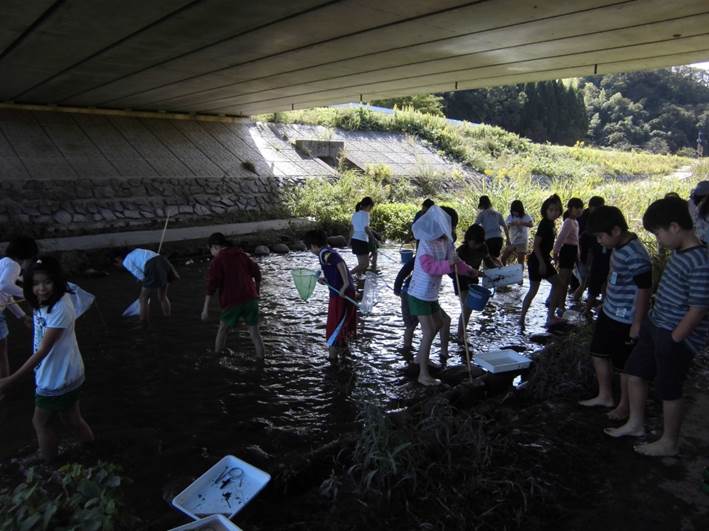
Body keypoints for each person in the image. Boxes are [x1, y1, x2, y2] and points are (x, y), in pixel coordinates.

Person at [606, 197, 709, 457]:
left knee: (669, 389)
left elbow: (699, 308)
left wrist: (675, 338)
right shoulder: (680, 251)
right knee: (634, 373)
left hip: (674, 335)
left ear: (674, 227)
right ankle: (636, 423)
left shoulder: (700, 262)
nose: (658, 239)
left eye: (658, 233)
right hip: (656, 323)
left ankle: (669, 442)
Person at [0, 257, 94, 462]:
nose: (41, 288)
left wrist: (11, 380)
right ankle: (91, 452)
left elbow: (43, 350)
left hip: (57, 377)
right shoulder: (44, 301)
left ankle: (50, 465)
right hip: (66, 370)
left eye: (47, 282)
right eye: (35, 283)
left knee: (40, 422)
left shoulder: (60, 308)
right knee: (71, 419)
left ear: (57, 281)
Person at [578, 206, 652, 420]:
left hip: (626, 318)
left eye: (601, 236)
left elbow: (645, 290)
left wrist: (637, 323)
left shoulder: (636, 254)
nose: (599, 241)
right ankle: (605, 395)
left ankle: (623, 407)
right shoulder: (617, 245)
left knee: (624, 366)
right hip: (610, 311)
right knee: (598, 353)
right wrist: (605, 302)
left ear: (616, 230)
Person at [407, 206, 477, 386]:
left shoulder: (446, 242)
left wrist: (470, 271)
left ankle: (420, 358)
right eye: (449, 226)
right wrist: (449, 263)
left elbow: (456, 263)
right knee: (429, 330)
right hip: (419, 293)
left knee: (439, 323)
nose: (450, 230)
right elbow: (429, 267)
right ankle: (423, 374)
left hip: (431, 293)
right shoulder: (426, 243)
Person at [201, 233, 264, 358]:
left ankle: (217, 358)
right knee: (255, 334)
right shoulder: (241, 254)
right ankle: (261, 361)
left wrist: (205, 309)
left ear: (215, 247)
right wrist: (257, 291)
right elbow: (257, 273)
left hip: (232, 301)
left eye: (211, 250)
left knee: (223, 330)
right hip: (251, 299)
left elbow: (211, 286)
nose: (212, 253)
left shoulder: (218, 260)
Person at [304, 230, 356, 362]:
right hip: (342, 292)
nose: (311, 251)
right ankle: (344, 354)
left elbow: (340, 263)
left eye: (309, 248)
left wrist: (344, 284)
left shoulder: (324, 254)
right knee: (341, 324)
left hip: (341, 294)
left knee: (334, 327)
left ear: (314, 245)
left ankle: (333, 360)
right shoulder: (327, 250)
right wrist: (326, 280)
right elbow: (335, 269)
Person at [519, 194, 563, 328]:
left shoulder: (550, 224)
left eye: (556, 210)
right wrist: (542, 263)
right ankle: (526, 318)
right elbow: (536, 245)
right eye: (551, 210)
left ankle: (548, 316)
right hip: (537, 261)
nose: (554, 212)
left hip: (541, 259)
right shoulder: (545, 224)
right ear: (545, 210)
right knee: (535, 289)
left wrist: (550, 257)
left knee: (556, 285)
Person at [0, 236, 37, 378]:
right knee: (2, 355)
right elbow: (4, 285)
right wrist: (30, 294)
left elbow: (5, 295)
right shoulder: (14, 265)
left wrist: (22, 316)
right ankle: (3, 388)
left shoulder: (3, 262)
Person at [454, 224, 500, 339]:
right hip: (461, 279)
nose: (477, 246)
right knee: (467, 307)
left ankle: (462, 333)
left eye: (479, 243)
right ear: (468, 240)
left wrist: (498, 271)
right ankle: (460, 335)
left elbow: (488, 262)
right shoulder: (461, 251)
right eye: (474, 243)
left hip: (473, 279)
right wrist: (479, 273)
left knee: (469, 309)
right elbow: (458, 270)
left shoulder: (483, 247)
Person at [113, 247, 179, 322]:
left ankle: (144, 323)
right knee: (162, 296)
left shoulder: (126, 261)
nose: (118, 265)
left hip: (153, 265)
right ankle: (167, 317)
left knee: (143, 298)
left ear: (118, 258)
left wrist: (146, 284)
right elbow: (143, 263)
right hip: (163, 262)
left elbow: (142, 277)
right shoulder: (136, 250)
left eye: (116, 262)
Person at [552, 198, 584, 317]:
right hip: (566, 251)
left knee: (566, 281)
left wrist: (578, 254)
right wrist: (555, 252)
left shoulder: (575, 222)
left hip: (572, 252)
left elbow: (576, 240)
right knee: (562, 280)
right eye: (577, 208)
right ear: (570, 209)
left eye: (581, 208)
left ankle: (561, 304)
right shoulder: (568, 221)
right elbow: (561, 238)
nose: (580, 210)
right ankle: (557, 305)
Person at [393, 256, 417, 352]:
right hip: (411, 292)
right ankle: (407, 349)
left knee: (411, 325)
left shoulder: (420, 255)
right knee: (412, 324)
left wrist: (397, 288)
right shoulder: (421, 255)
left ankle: (407, 348)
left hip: (408, 291)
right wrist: (397, 288)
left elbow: (403, 272)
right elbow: (403, 272)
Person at [349, 197, 378, 276]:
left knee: (361, 264)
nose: (370, 210)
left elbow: (352, 229)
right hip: (361, 240)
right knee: (365, 264)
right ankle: (348, 274)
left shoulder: (355, 214)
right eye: (371, 208)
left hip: (354, 240)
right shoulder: (366, 214)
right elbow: (366, 229)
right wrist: (373, 238)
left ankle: (358, 279)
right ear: (369, 206)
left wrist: (349, 241)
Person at [500, 200, 533, 268]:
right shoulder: (510, 217)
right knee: (503, 257)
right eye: (514, 211)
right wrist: (507, 239)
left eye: (517, 211)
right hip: (513, 241)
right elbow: (506, 228)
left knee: (520, 261)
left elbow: (531, 224)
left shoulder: (525, 216)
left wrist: (521, 223)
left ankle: (519, 276)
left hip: (522, 241)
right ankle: (503, 272)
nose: (515, 213)